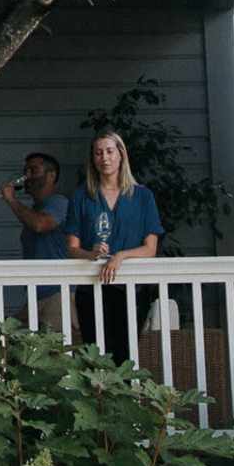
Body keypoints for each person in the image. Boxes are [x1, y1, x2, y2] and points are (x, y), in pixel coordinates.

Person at [65, 130, 163, 359]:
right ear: (93, 159)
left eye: (110, 151)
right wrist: (90, 254)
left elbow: (150, 249)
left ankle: (126, 396)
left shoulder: (142, 196)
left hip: (131, 288)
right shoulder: (82, 196)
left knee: (125, 355)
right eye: (98, 153)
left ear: (121, 155)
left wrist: (121, 256)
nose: (104, 158)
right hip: (91, 287)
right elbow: (71, 248)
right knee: (95, 356)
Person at [1, 149, 73, 260]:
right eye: (26, 172)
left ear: (51, 175)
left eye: (33, 170)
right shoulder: (35, 210)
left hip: (56, 275)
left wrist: (11, 200)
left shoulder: (60, 202)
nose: (27, 176)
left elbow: (40, 225)